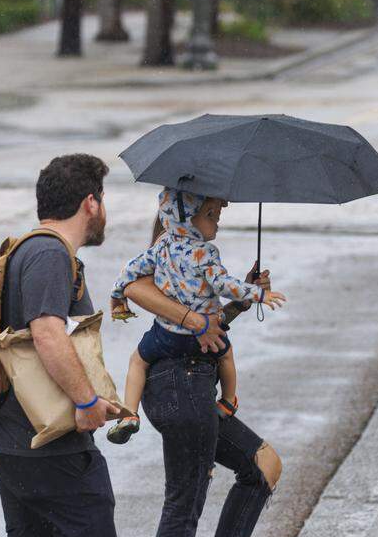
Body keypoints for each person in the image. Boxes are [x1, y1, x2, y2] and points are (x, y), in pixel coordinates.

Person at [0, 154, 125, 537]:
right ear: (90, 204)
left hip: (12, 435)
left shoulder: (28, 250)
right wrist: (86, 401)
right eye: (103, 199)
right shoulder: (49, 255)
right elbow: (46, 332)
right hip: (46, 435)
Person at [120, 208, 286, 537]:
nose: (219, 218)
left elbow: (207, 331)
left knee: (262, 465)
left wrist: (241, 300)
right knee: (184, 502)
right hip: (180, 383)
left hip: (188, 382)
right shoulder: (161, 259)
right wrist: (197, 317)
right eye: (211, 211)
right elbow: (134, 291)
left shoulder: (188, 268)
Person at [106, 189, 286, 445]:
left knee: (137, 361)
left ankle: (129, 415)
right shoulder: (205, 252)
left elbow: (128, 273)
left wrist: (116, 296)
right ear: (195, 217)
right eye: (213, 214)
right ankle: (228, 401)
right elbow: (221, 284)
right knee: (225, 355)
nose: (219, 219)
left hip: (165, 336)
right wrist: (256, 293)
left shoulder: (163, 248)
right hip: (197, 350)